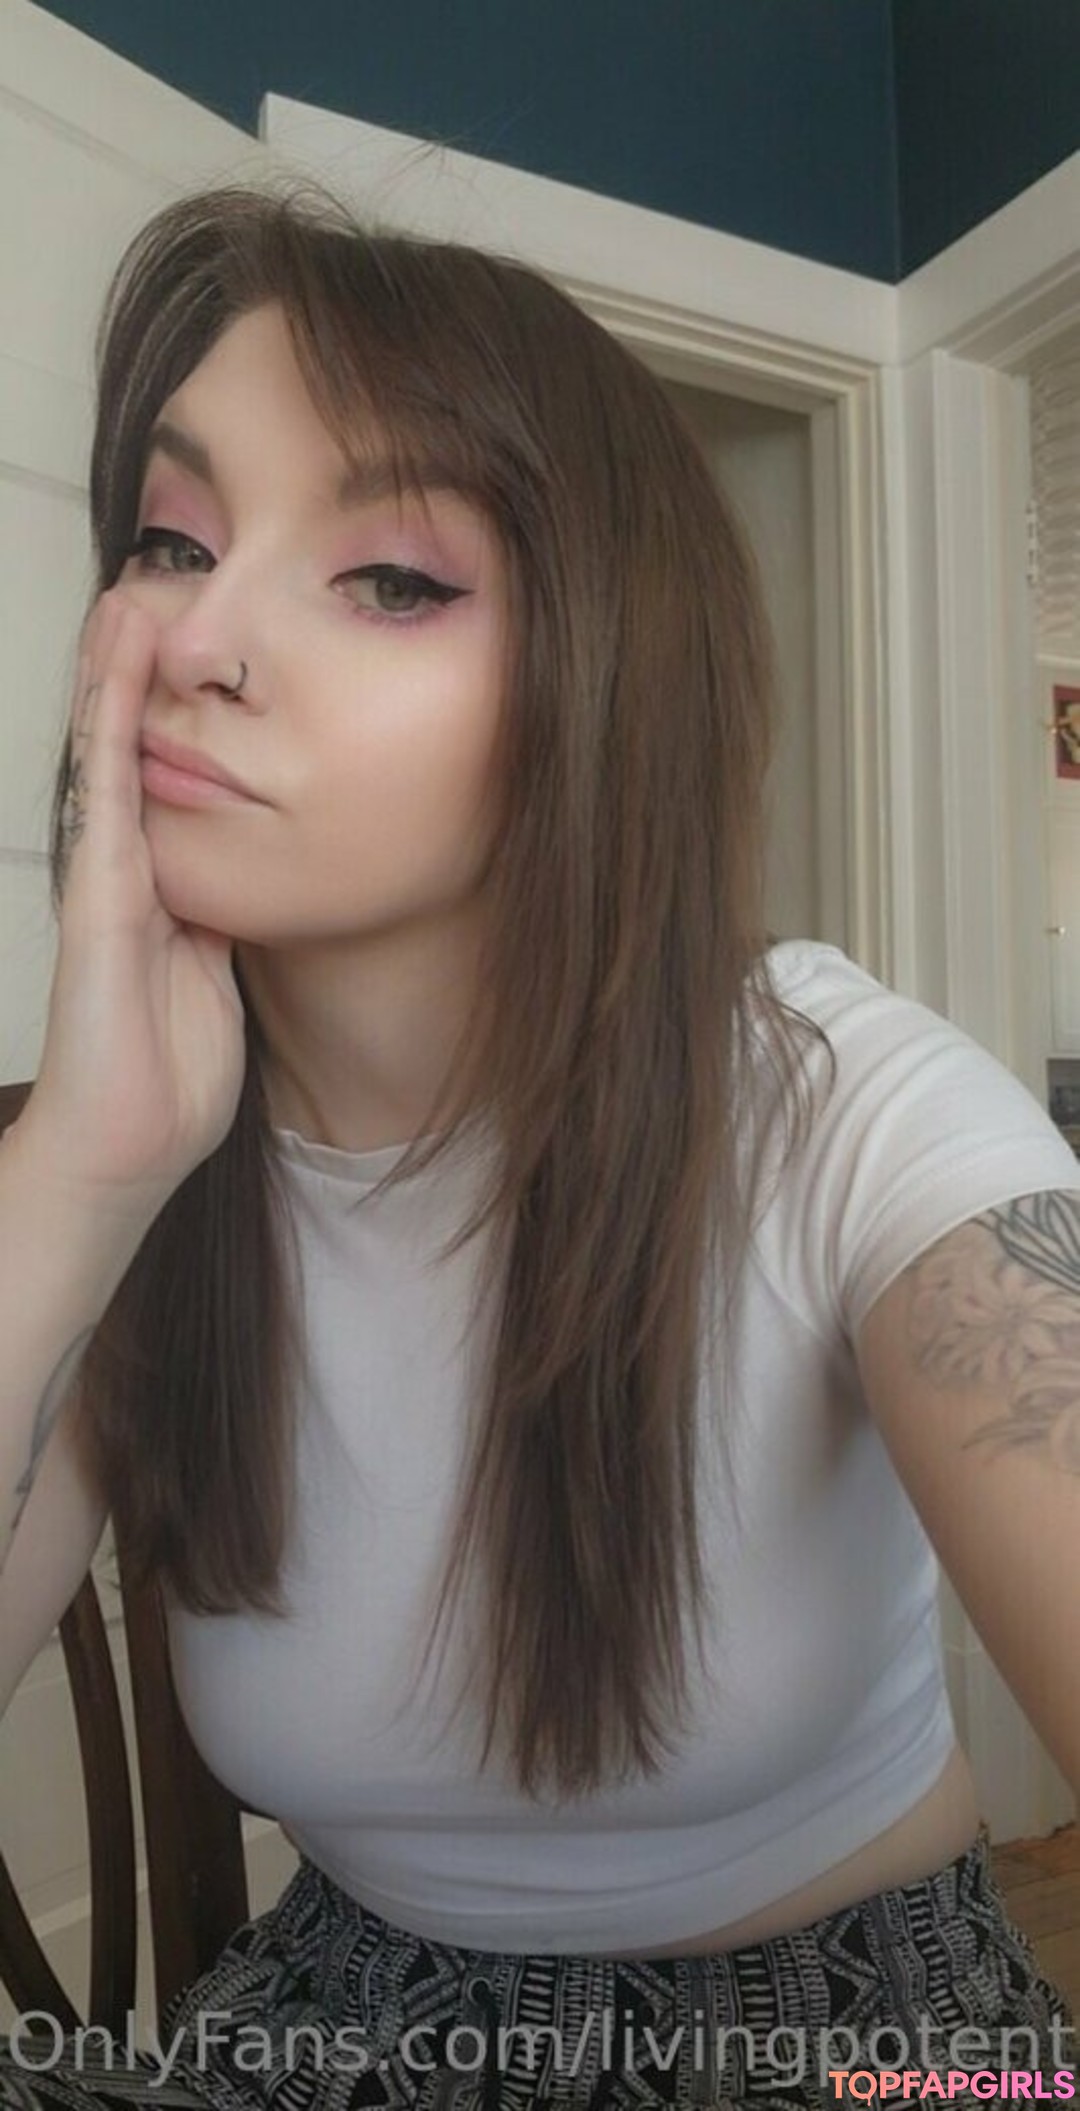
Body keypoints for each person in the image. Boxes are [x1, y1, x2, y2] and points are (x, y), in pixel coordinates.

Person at [0, 180, 1077, 2111]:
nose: (198, 641)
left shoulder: (849, 1110)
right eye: (172, 541)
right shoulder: (132, 1166)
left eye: (390, 578)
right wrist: (79, 1178)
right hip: (340, 2011)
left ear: (603, 679)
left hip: (870, 2031)